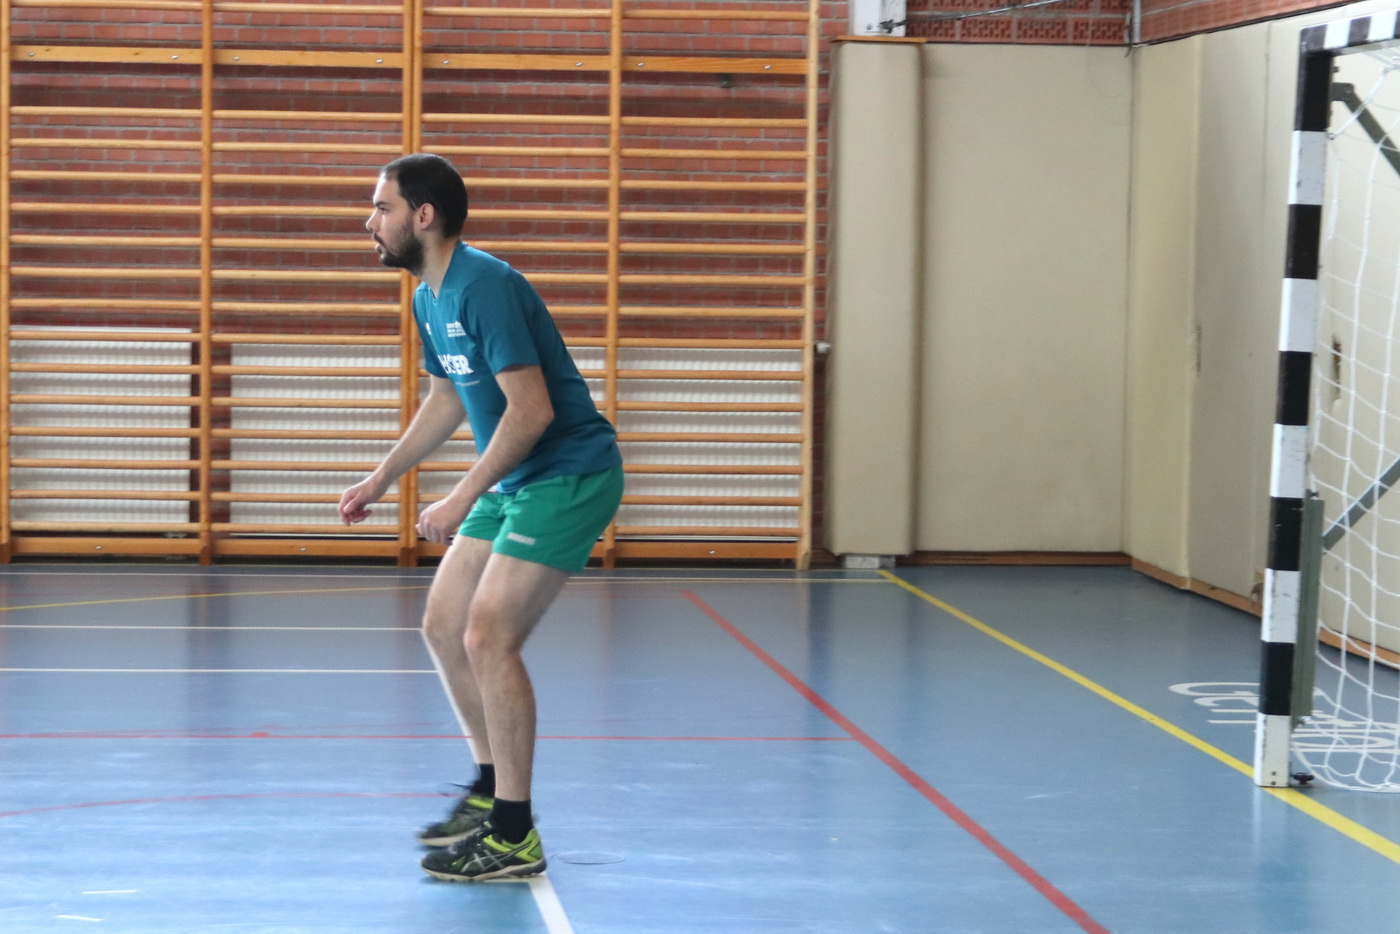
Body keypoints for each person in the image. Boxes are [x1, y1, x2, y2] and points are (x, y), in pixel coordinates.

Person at [339, 153, 623, 882]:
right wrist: (381, 478)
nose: (370, 222)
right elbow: (446, 400)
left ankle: (514, 835)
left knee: (488, 635)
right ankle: (492, 787)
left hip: (567, 474)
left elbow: (532, 411)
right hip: (517, 477)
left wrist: (462, 495)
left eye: (382, 208)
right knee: (443, 625)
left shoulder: (484, 287)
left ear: (422, 216)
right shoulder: (428, 298)